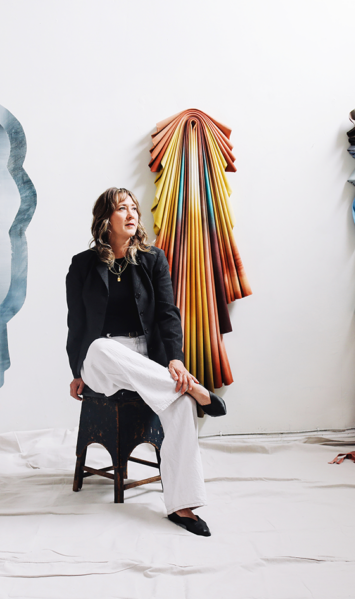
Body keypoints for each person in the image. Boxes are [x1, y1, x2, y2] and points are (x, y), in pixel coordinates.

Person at [66, 187, 226, 536]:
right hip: (102, 359)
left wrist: (175, 361)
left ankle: (182, 507)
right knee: (101, 348)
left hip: (144, 359)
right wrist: (76, 372)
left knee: (181, 404)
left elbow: (168, 315)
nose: (131, 213)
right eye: (121, 208)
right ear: (106, 219)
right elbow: (76, 324)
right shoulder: (82, 265)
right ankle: (196, 391)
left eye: (133, 207)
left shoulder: (154, 259)